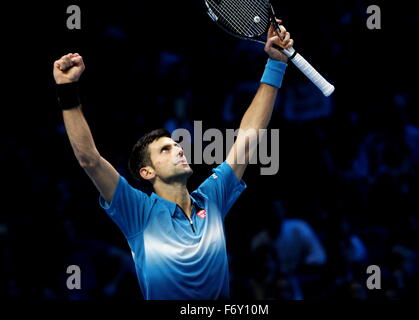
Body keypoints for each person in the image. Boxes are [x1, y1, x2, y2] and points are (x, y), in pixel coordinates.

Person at [53, 21, 294, 299]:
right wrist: (67, 89)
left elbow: (249, 136)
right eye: (165, 150)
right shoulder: (138, 212)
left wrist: (276, 63)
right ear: (146, 172)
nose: (179, 150)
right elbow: (89, 160)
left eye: (176, 145)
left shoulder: (211, 197)